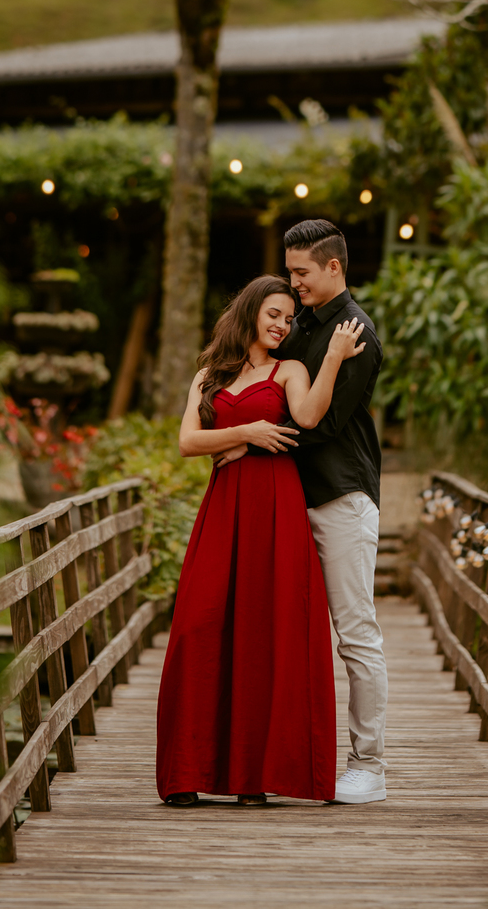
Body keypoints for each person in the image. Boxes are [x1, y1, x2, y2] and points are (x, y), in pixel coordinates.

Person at [155, 274, 368, 807]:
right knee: (198, 626)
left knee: (262, 631)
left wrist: (336, 356)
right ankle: (186, 772)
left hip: (276, 508)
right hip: (224, 508)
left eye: (288, 317)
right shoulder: (209, 374)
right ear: (249, 312)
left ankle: (253, 776)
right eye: (273, 313)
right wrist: (246, 435)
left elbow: (310, 416)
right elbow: (187, 441)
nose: (282, 324)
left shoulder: (290, 369)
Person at [218, 220, 388, 806]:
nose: (294, 284)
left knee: (355, 633)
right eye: (290, 273)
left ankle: (369, 765)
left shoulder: (355, 331)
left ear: (333, 267)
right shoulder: (298, 325)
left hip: (340, 499)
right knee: (282, 635)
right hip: (286, 504)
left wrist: (248, 440)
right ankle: (277, 759)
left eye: (301, 273)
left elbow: (327, 423)